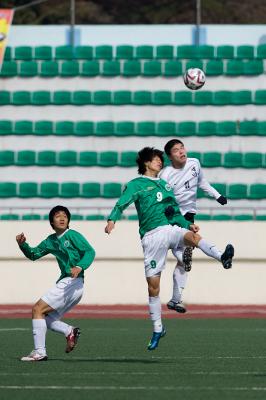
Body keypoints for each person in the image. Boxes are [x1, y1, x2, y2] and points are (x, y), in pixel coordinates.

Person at [105, 147, 234, 351]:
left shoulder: (166, 185)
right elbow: (122, 203)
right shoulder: (136, 184)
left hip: (167, 228)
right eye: (156, 159)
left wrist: (187, 224)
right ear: (146, 163)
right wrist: (112, 219)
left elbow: (173, 213)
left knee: (192, 237)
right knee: (153, 287)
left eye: (160, 160)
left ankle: (222, 257)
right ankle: (158, 329)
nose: (160, 162)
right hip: (150, 236)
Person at [16, 205, 95, 362]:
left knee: (37, 309)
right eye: (58, 215)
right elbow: (33, 254)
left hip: (72, 282)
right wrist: (23, 245)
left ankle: (39, 352)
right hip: (72, 285)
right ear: (51, 221)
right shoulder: (51, 240)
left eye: (65, 215)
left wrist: (80, 266)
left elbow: (90, 251)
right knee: (45, 319)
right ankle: (69, 331)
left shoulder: (72, 235)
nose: (62, 218)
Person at [160, 139, 228, 314]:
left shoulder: (194, 163)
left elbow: (202, 183)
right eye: (176, 150)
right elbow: (161, 198)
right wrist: (167, 208)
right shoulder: (165, 175)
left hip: (189, 214)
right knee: (187, 250)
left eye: (182, 147)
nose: (182, 151)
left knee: (183, 261)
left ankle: (175, 300)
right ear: (170, 156)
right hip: (172, 216)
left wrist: (217, 195)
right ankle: (221, 256)